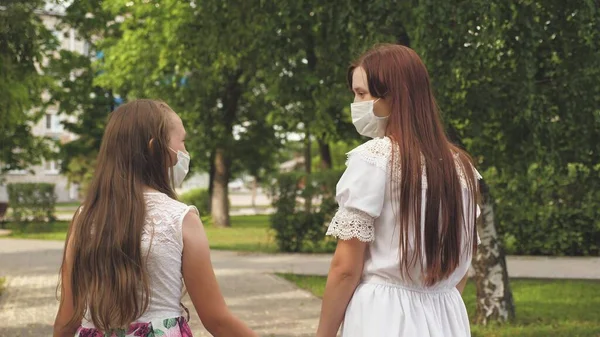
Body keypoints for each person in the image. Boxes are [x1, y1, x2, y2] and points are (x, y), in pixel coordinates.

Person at [316, 44, 482, 337]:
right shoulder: (461, 169)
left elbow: (345, 268)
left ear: (392, 96)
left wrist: (324, 334)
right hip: (446, 316)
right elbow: (462, 265)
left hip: (383, 316)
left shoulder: (374, 160)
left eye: (361, 94)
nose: (355, 103)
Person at [53, 99, 257, 337]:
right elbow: (217, 320)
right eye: (182, 142)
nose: (185, 152)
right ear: (155, 148)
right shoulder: (180, 219)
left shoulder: (84, 218)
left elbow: (67, 319)